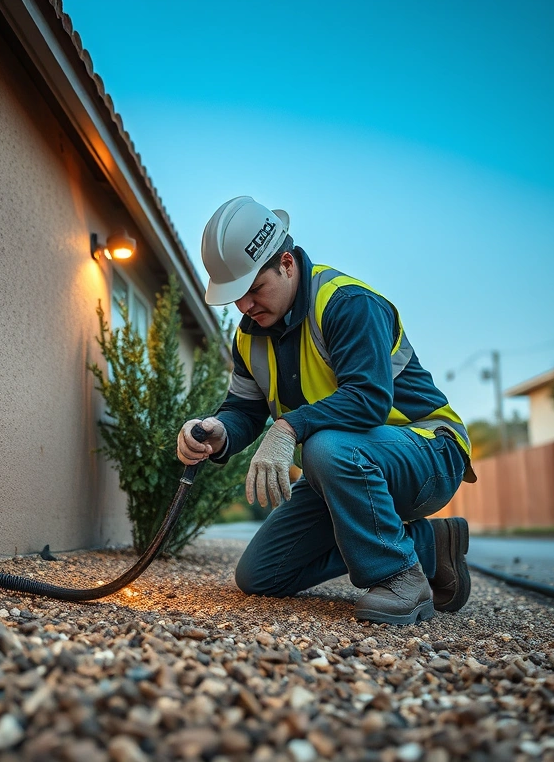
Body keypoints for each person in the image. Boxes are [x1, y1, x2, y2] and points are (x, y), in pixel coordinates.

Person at [177, 196, 476, 625]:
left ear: (286, 263)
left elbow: (369, 398)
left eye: (252, 290)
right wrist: (217, 431)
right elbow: (242, 410)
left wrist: (286, 428)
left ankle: (400, 578)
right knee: (261, 574)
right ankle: (428, 546)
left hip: (428, 453)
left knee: (325, 446)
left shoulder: (346, 302)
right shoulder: (249, 338)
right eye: (236, 297)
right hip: (342, 469)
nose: (244, 307)